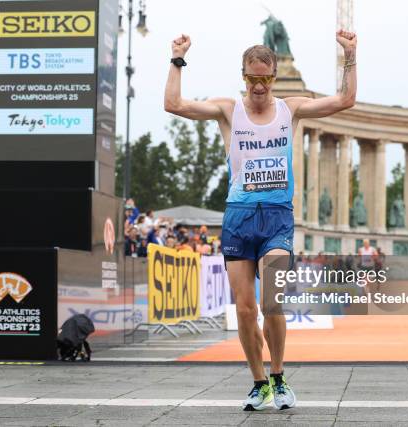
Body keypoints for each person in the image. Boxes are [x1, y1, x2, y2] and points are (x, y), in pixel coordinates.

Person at [164, 29, 357, 411]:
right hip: (238, 217)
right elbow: (173, 104)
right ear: (244, 77)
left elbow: (345, 100)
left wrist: (350, 56)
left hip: (277, 218)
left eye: (265, 79)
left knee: (272, 302)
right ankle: (258, 382)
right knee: (244, 308)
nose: (258, 86)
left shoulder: (291, 109)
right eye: (252, 78)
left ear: (274, 78)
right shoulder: (227, 109)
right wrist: (177, 58)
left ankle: (280, 377)